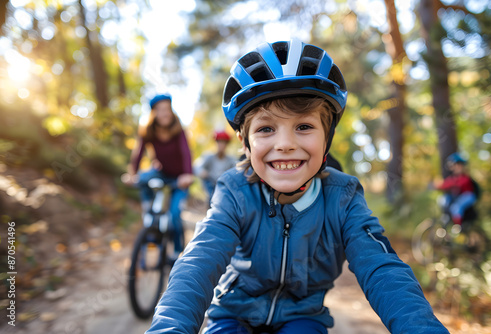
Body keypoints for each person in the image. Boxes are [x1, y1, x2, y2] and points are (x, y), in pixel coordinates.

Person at [146, 40, 448, 334]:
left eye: (304, 126)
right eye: (266, 129)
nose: (286, 144)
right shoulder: (234, 191)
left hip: (303, 317)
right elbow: (198, 263)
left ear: (327, 136)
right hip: (234, 312)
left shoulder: (342, 197)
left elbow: (383, 269)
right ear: (244, 142)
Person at [125, 94, 194, 257]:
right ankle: (149, 212)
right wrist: (132, 174)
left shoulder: (179, 130)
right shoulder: (148, 131)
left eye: (167, 109)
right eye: (160, 110)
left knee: (174, 215)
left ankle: (177, 252)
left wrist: (187, 174)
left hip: (179, 179)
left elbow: (186, 153)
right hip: (161, 173)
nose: (165, 113)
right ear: (153, 113)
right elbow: (138, 153)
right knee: (142, 178)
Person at [435, 152, 477, 228]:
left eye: (457, 165)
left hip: (468, 196)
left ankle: (457, 227)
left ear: (461, 165)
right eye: (453, 166)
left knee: (456, 207)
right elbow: (444, 184)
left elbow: (458, 184)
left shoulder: (465, 178)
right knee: (444, 200)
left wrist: (449, 185)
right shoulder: (452, 177)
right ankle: (446, 219)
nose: (455, 167)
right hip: (458, 196)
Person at [196, 130, 238, 203]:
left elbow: (238, 170)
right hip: (210, 184)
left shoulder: (231, 160)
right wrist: (202, 172)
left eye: (224, 142)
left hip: (224, 186)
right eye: (219, 142)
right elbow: (197, 167)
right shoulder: (208, 157)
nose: (221, 145)